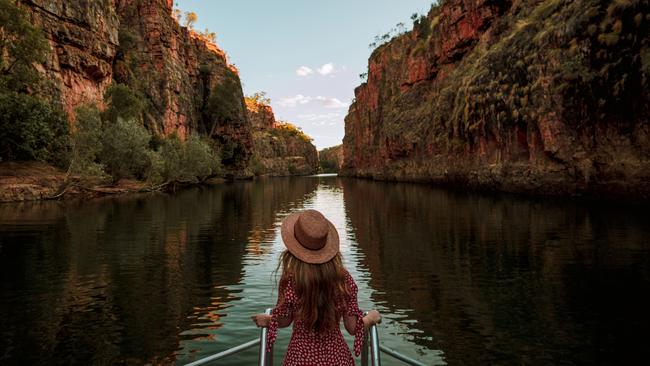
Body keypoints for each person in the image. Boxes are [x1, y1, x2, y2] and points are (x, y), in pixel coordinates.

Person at [251, 209, 381, 365]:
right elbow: (353, 328)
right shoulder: (343, 279)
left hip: (299, 359)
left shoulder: (290, 280)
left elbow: (285, 320)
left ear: (294, 247)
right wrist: (371, 317)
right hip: (337, 359)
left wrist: (269, 319)